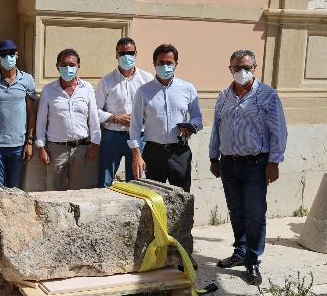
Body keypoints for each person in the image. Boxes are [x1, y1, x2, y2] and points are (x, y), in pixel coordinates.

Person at [209, 50, 287, 286]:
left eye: (246, 68)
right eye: (236, 68)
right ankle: (240, 251)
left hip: (256, 165)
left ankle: (253, 259)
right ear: (230, 69)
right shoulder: (223, 96)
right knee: (236, 211)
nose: (241, 72)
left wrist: (274, 162)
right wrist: (214, 157)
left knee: (255, 214)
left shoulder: (267, 95)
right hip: (229, 164)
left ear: (255, 68)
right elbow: (216, 128)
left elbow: (279, 131)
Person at [129, 44, 203, 192]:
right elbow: (135, 125)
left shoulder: (187, 88)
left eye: (169, 63)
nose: (165, 66)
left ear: (176, 64)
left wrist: (192, 126)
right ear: (154, 64)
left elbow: (197, 117)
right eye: (161, 63)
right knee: (154, 199)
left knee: (182, 197)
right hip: (153, 153)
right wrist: (136, 153)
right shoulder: (143, 91)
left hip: (180, 152)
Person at [35, 48, 100, 190]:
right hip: (56, 150)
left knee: (78, 192)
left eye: (72, 65)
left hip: (82, 149)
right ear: (57, 66)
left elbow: (93, 117)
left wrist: (95, 144)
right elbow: (41, 121)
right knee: (53, 191)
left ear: (78, 66)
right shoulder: (48, 90)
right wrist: (41, 147)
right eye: (64, 65)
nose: (68, 68)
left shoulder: (87, 88)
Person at [95, 38, 153, 187]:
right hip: (112, 136)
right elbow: (95, 111)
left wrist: (139, 118)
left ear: (136, 54)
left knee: (136, 182)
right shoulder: (106, 81)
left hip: (139, 137)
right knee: (105, 181)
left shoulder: (147, 79)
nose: (126, 56)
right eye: (122, 53)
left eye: (130, 53)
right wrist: (115, 118)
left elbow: (153, 108)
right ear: (116, 55)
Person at [0, 39, 36, 188]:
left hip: (18, 144)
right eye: (3, 54)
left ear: (17, 54)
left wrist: (29, 141)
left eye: (11, 53)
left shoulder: (27, 79)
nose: (8, 57)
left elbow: (31, 113)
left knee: (14, 189)